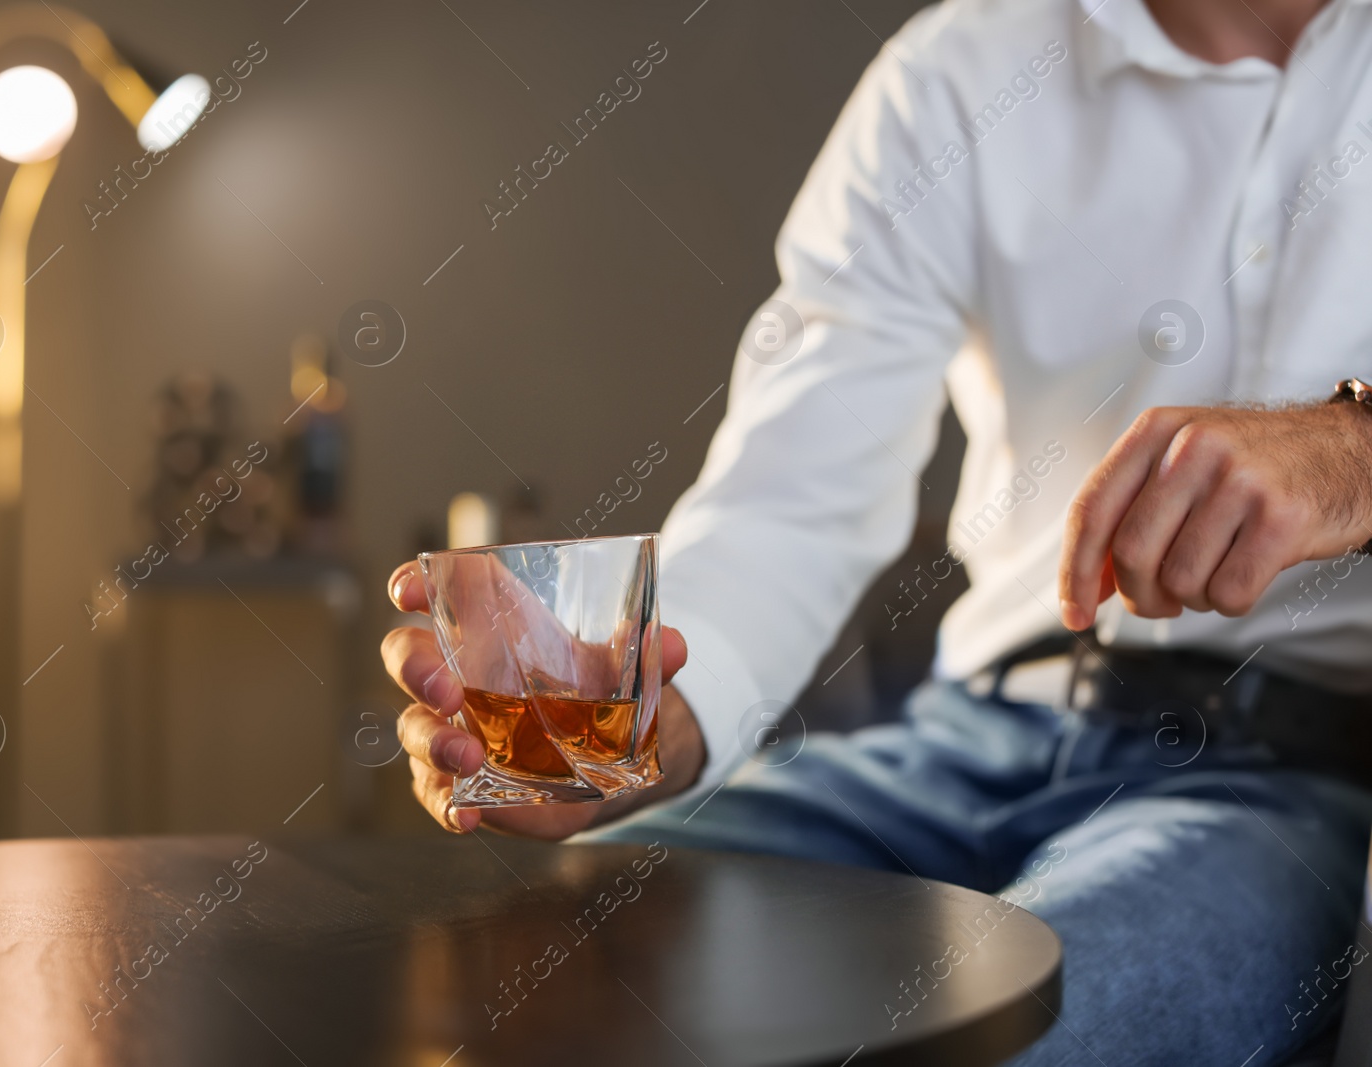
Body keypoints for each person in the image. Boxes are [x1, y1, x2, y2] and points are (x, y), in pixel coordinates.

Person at [382, 0, 1372, 1060]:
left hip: (1284, 773)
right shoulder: (965, 63)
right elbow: (794, 495)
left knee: (1018, 1036)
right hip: (969, 734)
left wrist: (1353, 453)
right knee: (531, 976)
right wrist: (637, 727)